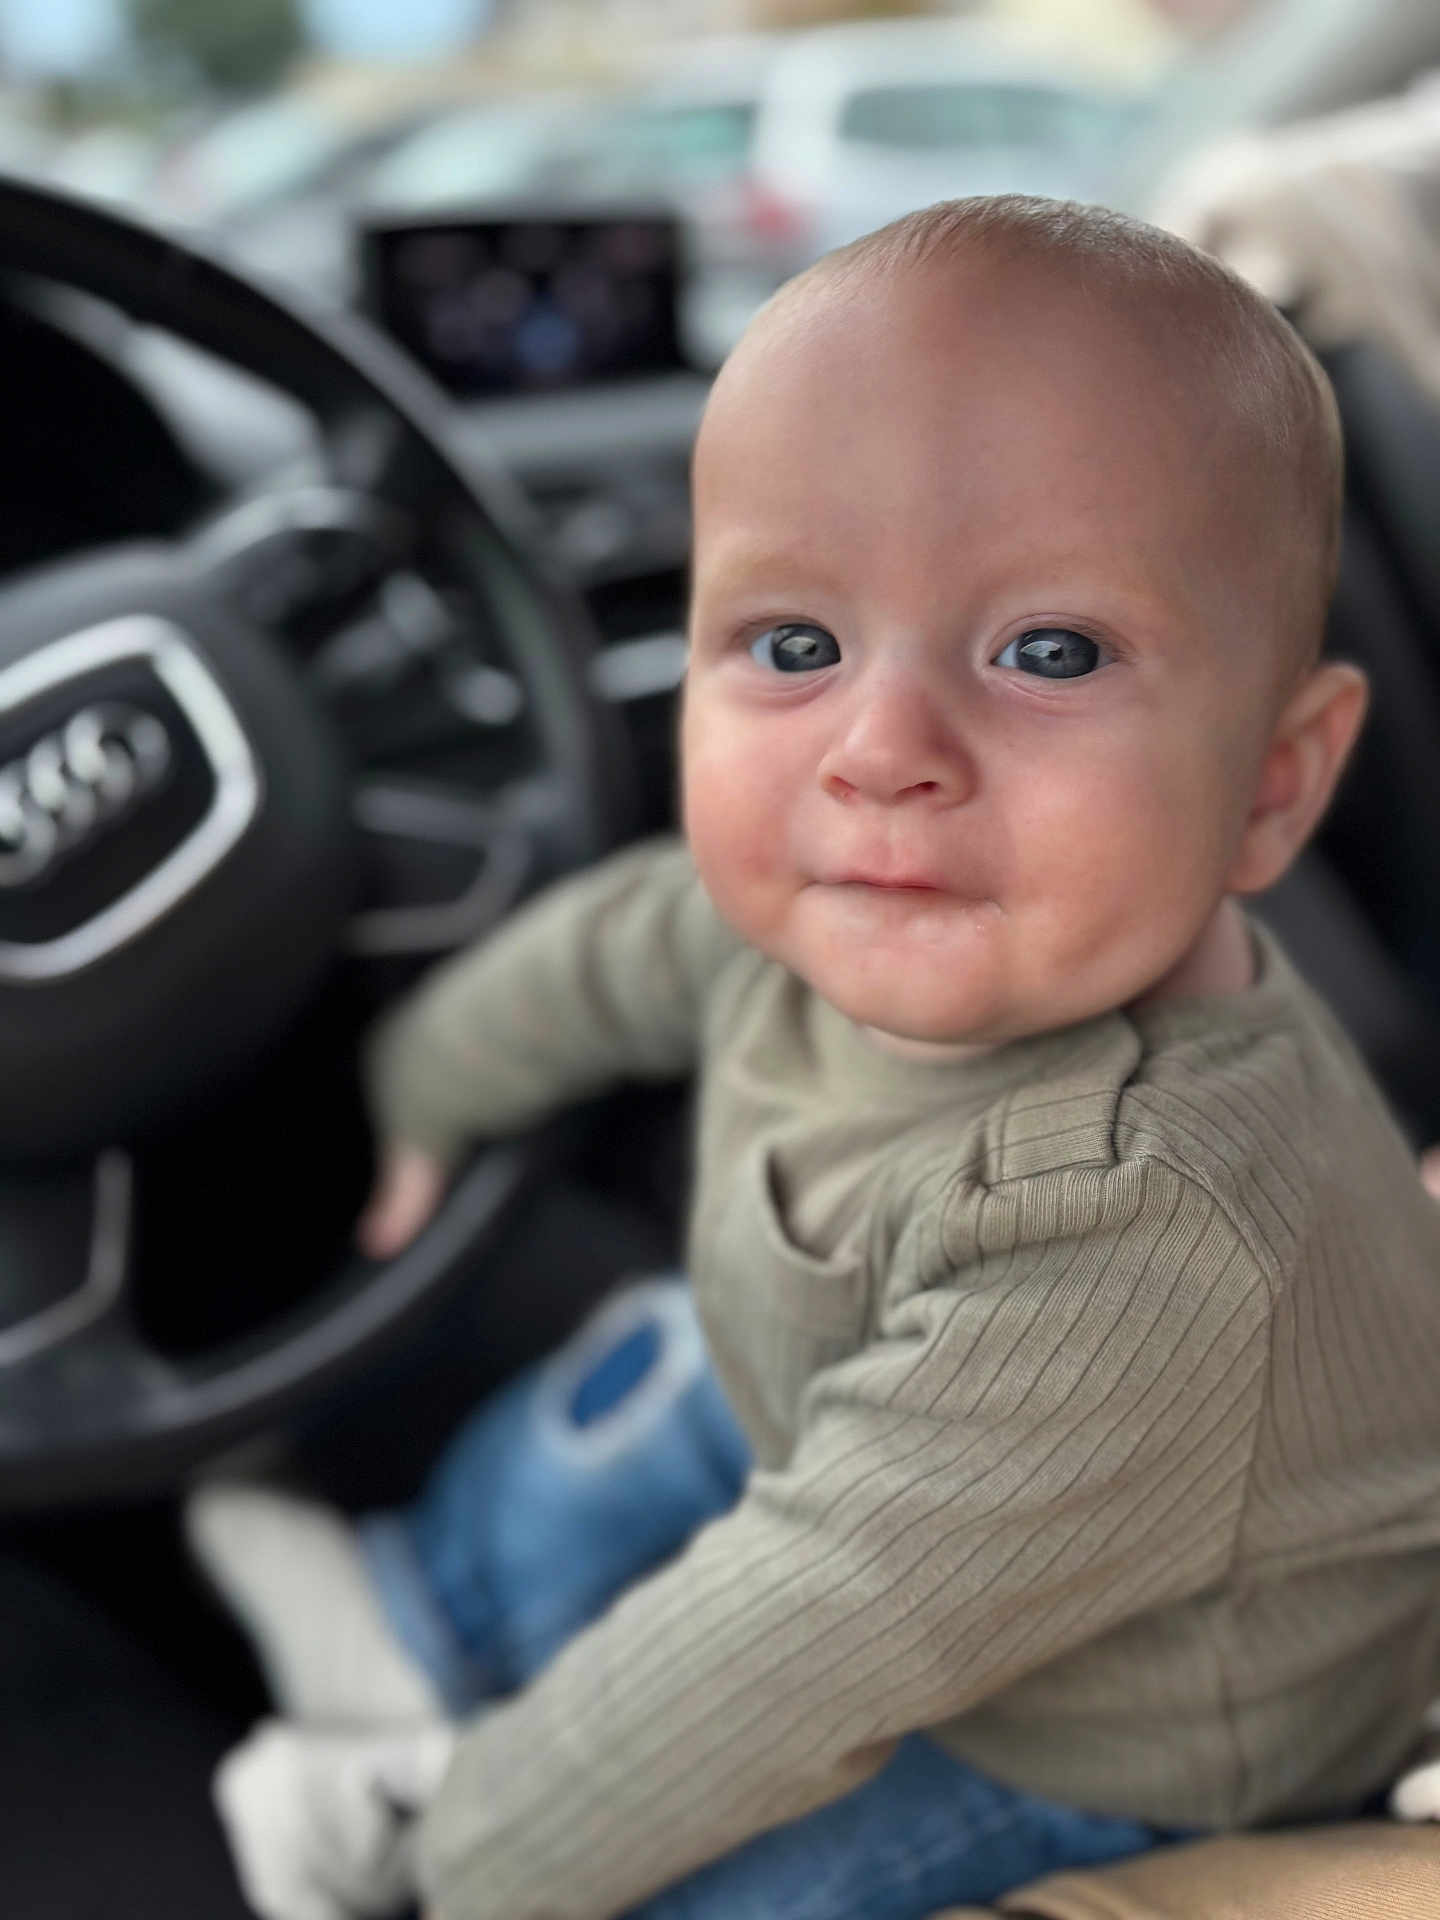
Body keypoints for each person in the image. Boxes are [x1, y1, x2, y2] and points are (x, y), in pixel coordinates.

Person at [190, 195, 1440, 1920]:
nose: (881, 748)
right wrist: (425, 1091)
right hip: (872, 1415)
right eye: (795, 646)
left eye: (1049, 652)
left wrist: (470, 1865)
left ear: (1276, 784)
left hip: (1117, 1723)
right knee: (652, 1373)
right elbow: (632, 943)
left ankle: (422, 1800)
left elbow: (796, 1644)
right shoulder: (860, 899)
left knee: (736, 1876)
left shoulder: (1155, 1250)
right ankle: (428, 1633)